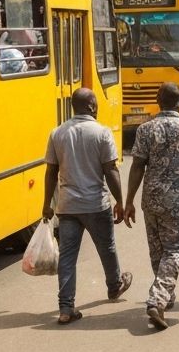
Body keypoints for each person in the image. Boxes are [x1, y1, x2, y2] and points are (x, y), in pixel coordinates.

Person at [124, 82, 179, 331]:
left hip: (150, 201)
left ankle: (165, 294)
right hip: (177, 203)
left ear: (157, 99)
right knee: (174, 251)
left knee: (158, 251)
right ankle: (158, 299)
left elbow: (137, 167)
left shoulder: (145, 129)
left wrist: (129, 200)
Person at [42, 87, 132, 324]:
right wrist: (121, 201)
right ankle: (114, 286)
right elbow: (110, 170)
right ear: (92, 106)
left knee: (68, 257)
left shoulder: (57, 133)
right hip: (95, 204)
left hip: (68, 206)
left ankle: (65, 307)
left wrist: (46, 205)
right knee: (107, 247)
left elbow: (50, 172)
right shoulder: (101, 133)